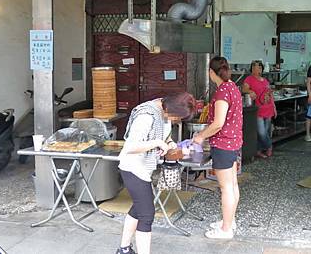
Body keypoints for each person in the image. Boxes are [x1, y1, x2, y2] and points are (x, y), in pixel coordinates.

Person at [117, 93, 196, 254]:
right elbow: (131, 146)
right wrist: (157, 143)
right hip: (132, 166)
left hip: (143, 168)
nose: (176, 121)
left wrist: (169, 143)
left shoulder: (164, 109)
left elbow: (164, 135)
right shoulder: (147, 115)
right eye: (177, 118)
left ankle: (124, 249)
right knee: (146, 215)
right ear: (172, 109)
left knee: (139, 208)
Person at [193, 56, 242, 240]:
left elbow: (218, 123)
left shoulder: (222, 92)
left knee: (226, 187)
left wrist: (200, 136)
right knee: (232, 184)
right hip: (233, 142)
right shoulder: (233, 87)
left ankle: (226, 229)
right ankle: (230, 221)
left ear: (212, 73)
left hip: (223, 144)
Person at [242, 60, 277, 159]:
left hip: (268, 108)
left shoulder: (265, 81)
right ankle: (269, 146)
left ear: (261, 69)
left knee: (264, 132)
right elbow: (244, 89)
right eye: (254, 67)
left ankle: (258, 150)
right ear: (251, 69)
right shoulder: (249, 79)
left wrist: (274, 107)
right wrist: (250, 91)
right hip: (258, 110)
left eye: (259, 67)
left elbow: (270, 93)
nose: (257, 69)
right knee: (261, 132)